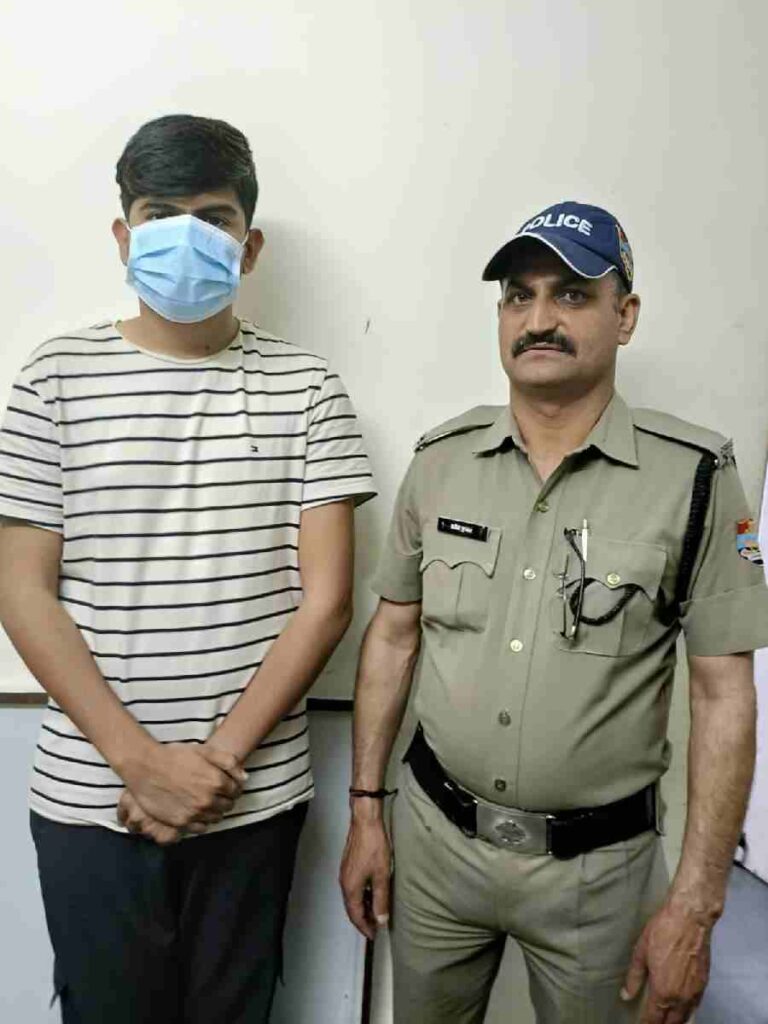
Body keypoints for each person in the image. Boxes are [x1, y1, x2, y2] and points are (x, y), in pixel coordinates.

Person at [340, 201, 768, 1024]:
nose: (539, 319)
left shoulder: (696, 478)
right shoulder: (441, 461)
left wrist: (695, 904)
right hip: (435, 850)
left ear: (625, 315)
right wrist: (366, 811)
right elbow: (392, 639)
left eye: (572, 295)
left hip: (599, 879)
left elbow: (724, 694)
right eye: (519, 295)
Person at [0, 113, 375, 1024]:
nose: (186, 236)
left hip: (252, 797)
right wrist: (141, 764)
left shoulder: (309, 389)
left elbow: (325, 602)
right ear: (123, 236)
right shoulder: (51, 378)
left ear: (250, 246)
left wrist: (214, 766)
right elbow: (20, 589)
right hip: (91, 797)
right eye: (159, 215)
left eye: (212, 218)